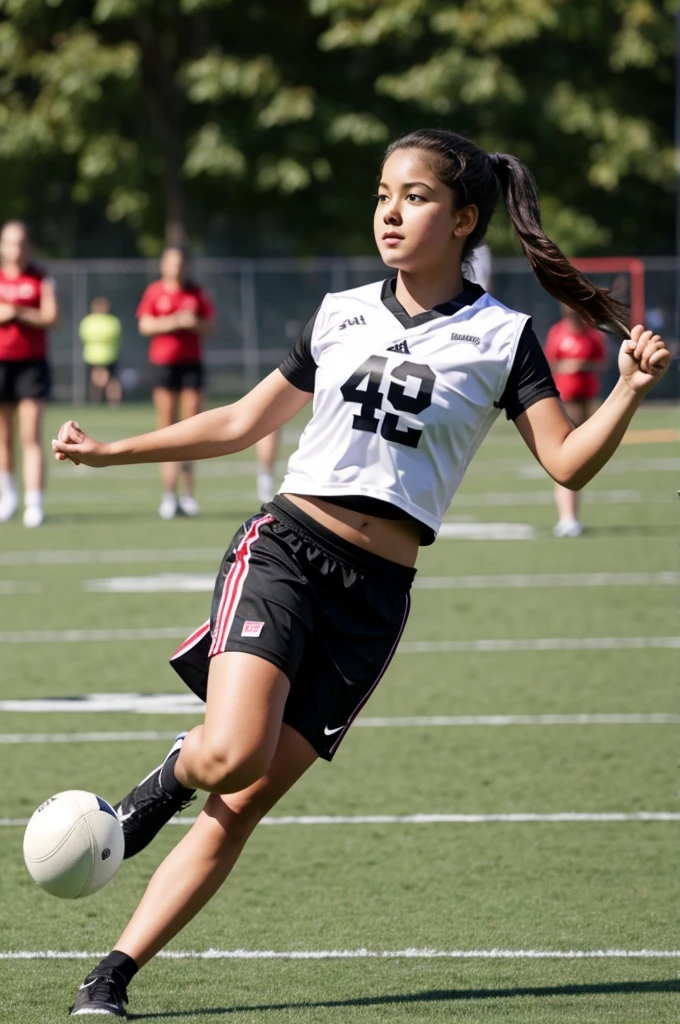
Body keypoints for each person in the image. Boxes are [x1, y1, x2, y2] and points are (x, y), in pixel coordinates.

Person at [52, 129, 669, 1017]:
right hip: (286, 553)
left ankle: (111, 974)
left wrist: (627, 390)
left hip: (374, 598)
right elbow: (240, 422)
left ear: (463, 220)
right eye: (383, 192)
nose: (390, 210)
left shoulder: (504, 336)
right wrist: (116, 451)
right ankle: (160, 787)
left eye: (414, 197)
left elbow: (567, 464)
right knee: (228, 755)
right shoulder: (339, 309)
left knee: (245, 801)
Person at [137, 246, 214, 519]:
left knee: (192, 427)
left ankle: (189, 494)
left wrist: (193, 322)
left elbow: (209, 325)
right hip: (163, 365)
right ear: (163, 265)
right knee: (166, 428)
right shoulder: (155, 292)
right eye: (171, 263)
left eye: (180, 263)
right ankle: (168, 495)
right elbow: (145, 325)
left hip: (191, 365)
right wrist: (173, 322)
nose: (176, 268)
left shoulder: (196, 292)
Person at [0, 221, 58, 528]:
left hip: (31, 364)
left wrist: (18, 312)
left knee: (30, 434)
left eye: (21, 243)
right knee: (3, 436)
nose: (16, 249)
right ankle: (7, 496)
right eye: (10, 243)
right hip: (1, 363)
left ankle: (33, 501)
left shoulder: (41, 277)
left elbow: (51, 316)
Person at [544, 305, 607, 537]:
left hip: (587, 400)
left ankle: (572, 517)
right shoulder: (557, 333)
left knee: (583, 460)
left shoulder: (592, 334)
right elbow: (549, 363)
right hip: (565, 400)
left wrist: (584, 365)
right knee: (567, 457)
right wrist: (567, 367)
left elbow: (601, 362)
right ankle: (567, 518)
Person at [79, 297, 123, 407]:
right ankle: (95, 402)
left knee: (112, 381)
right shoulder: (88, 321)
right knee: (95, 380)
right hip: (92, 356)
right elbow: (84, 335)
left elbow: (114, 334)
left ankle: (113, 403)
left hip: (110, 356)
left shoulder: (112, 321)